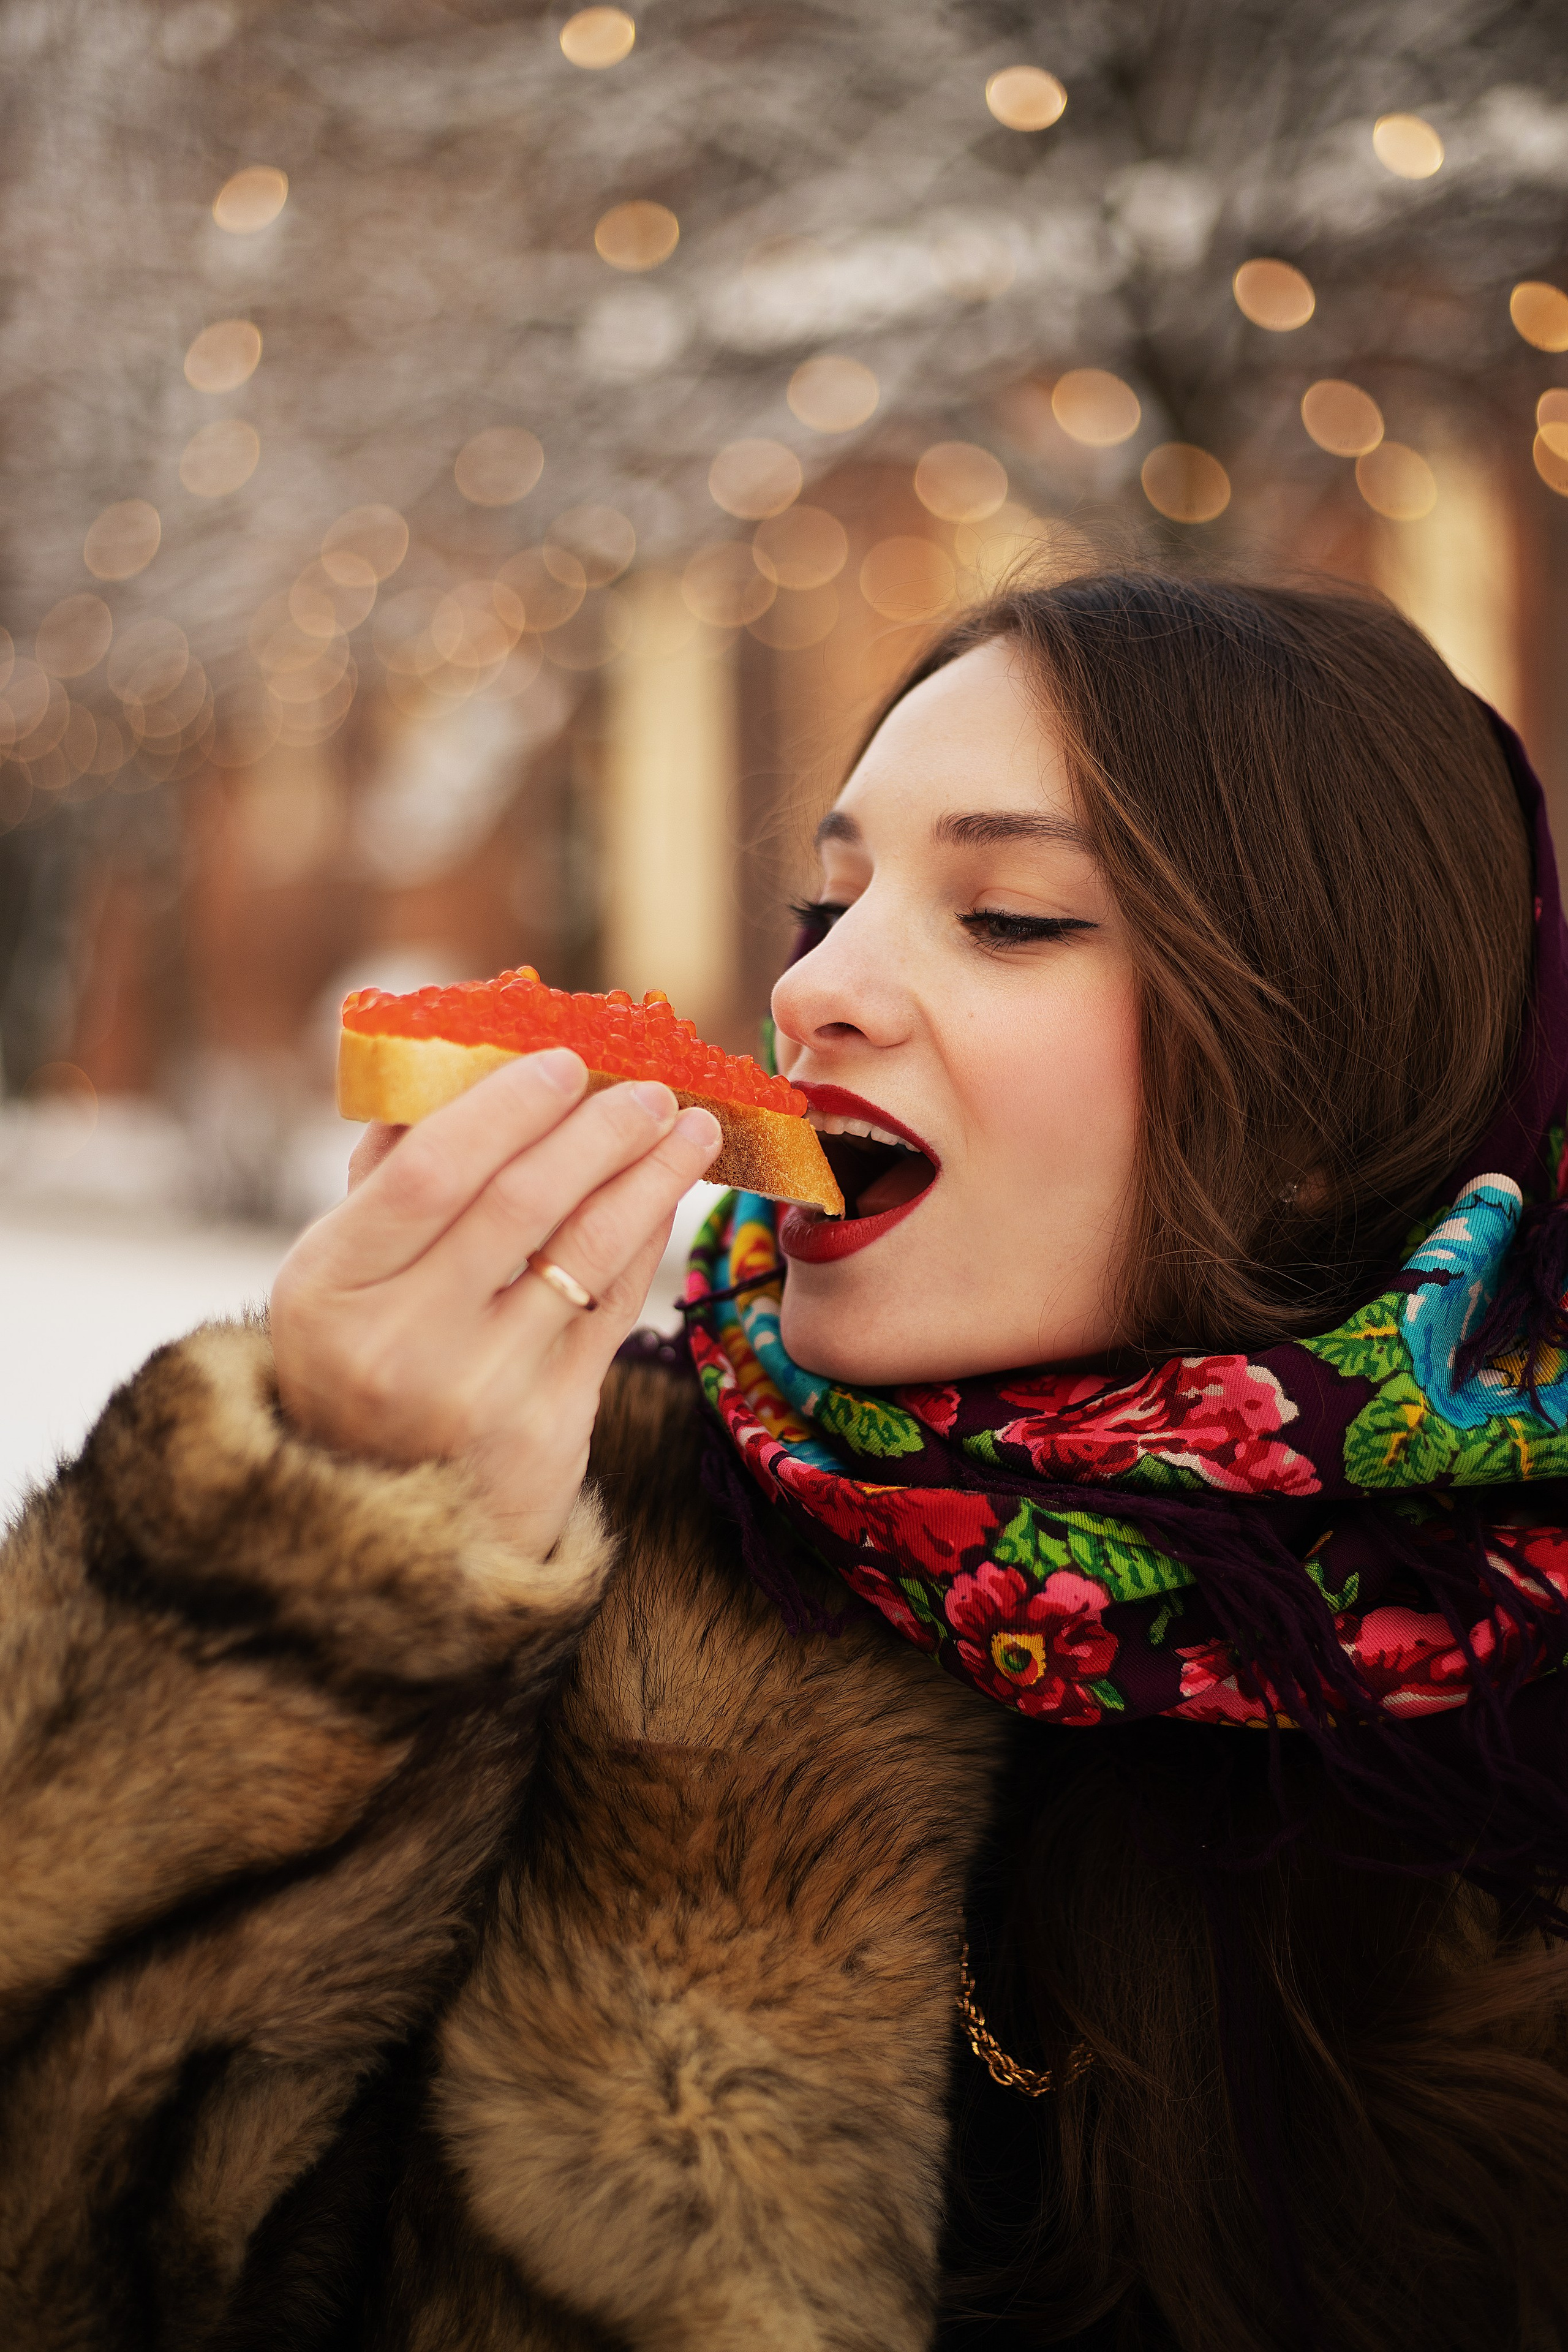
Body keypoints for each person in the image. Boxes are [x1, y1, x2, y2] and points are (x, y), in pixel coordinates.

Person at [3, 571, 1567, 2352]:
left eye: (1013, 916)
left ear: (1331, 1085)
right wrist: (309, 1584)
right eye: (826, 901)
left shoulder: (1518, 1721)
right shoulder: (577, 1569)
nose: (813, 985)